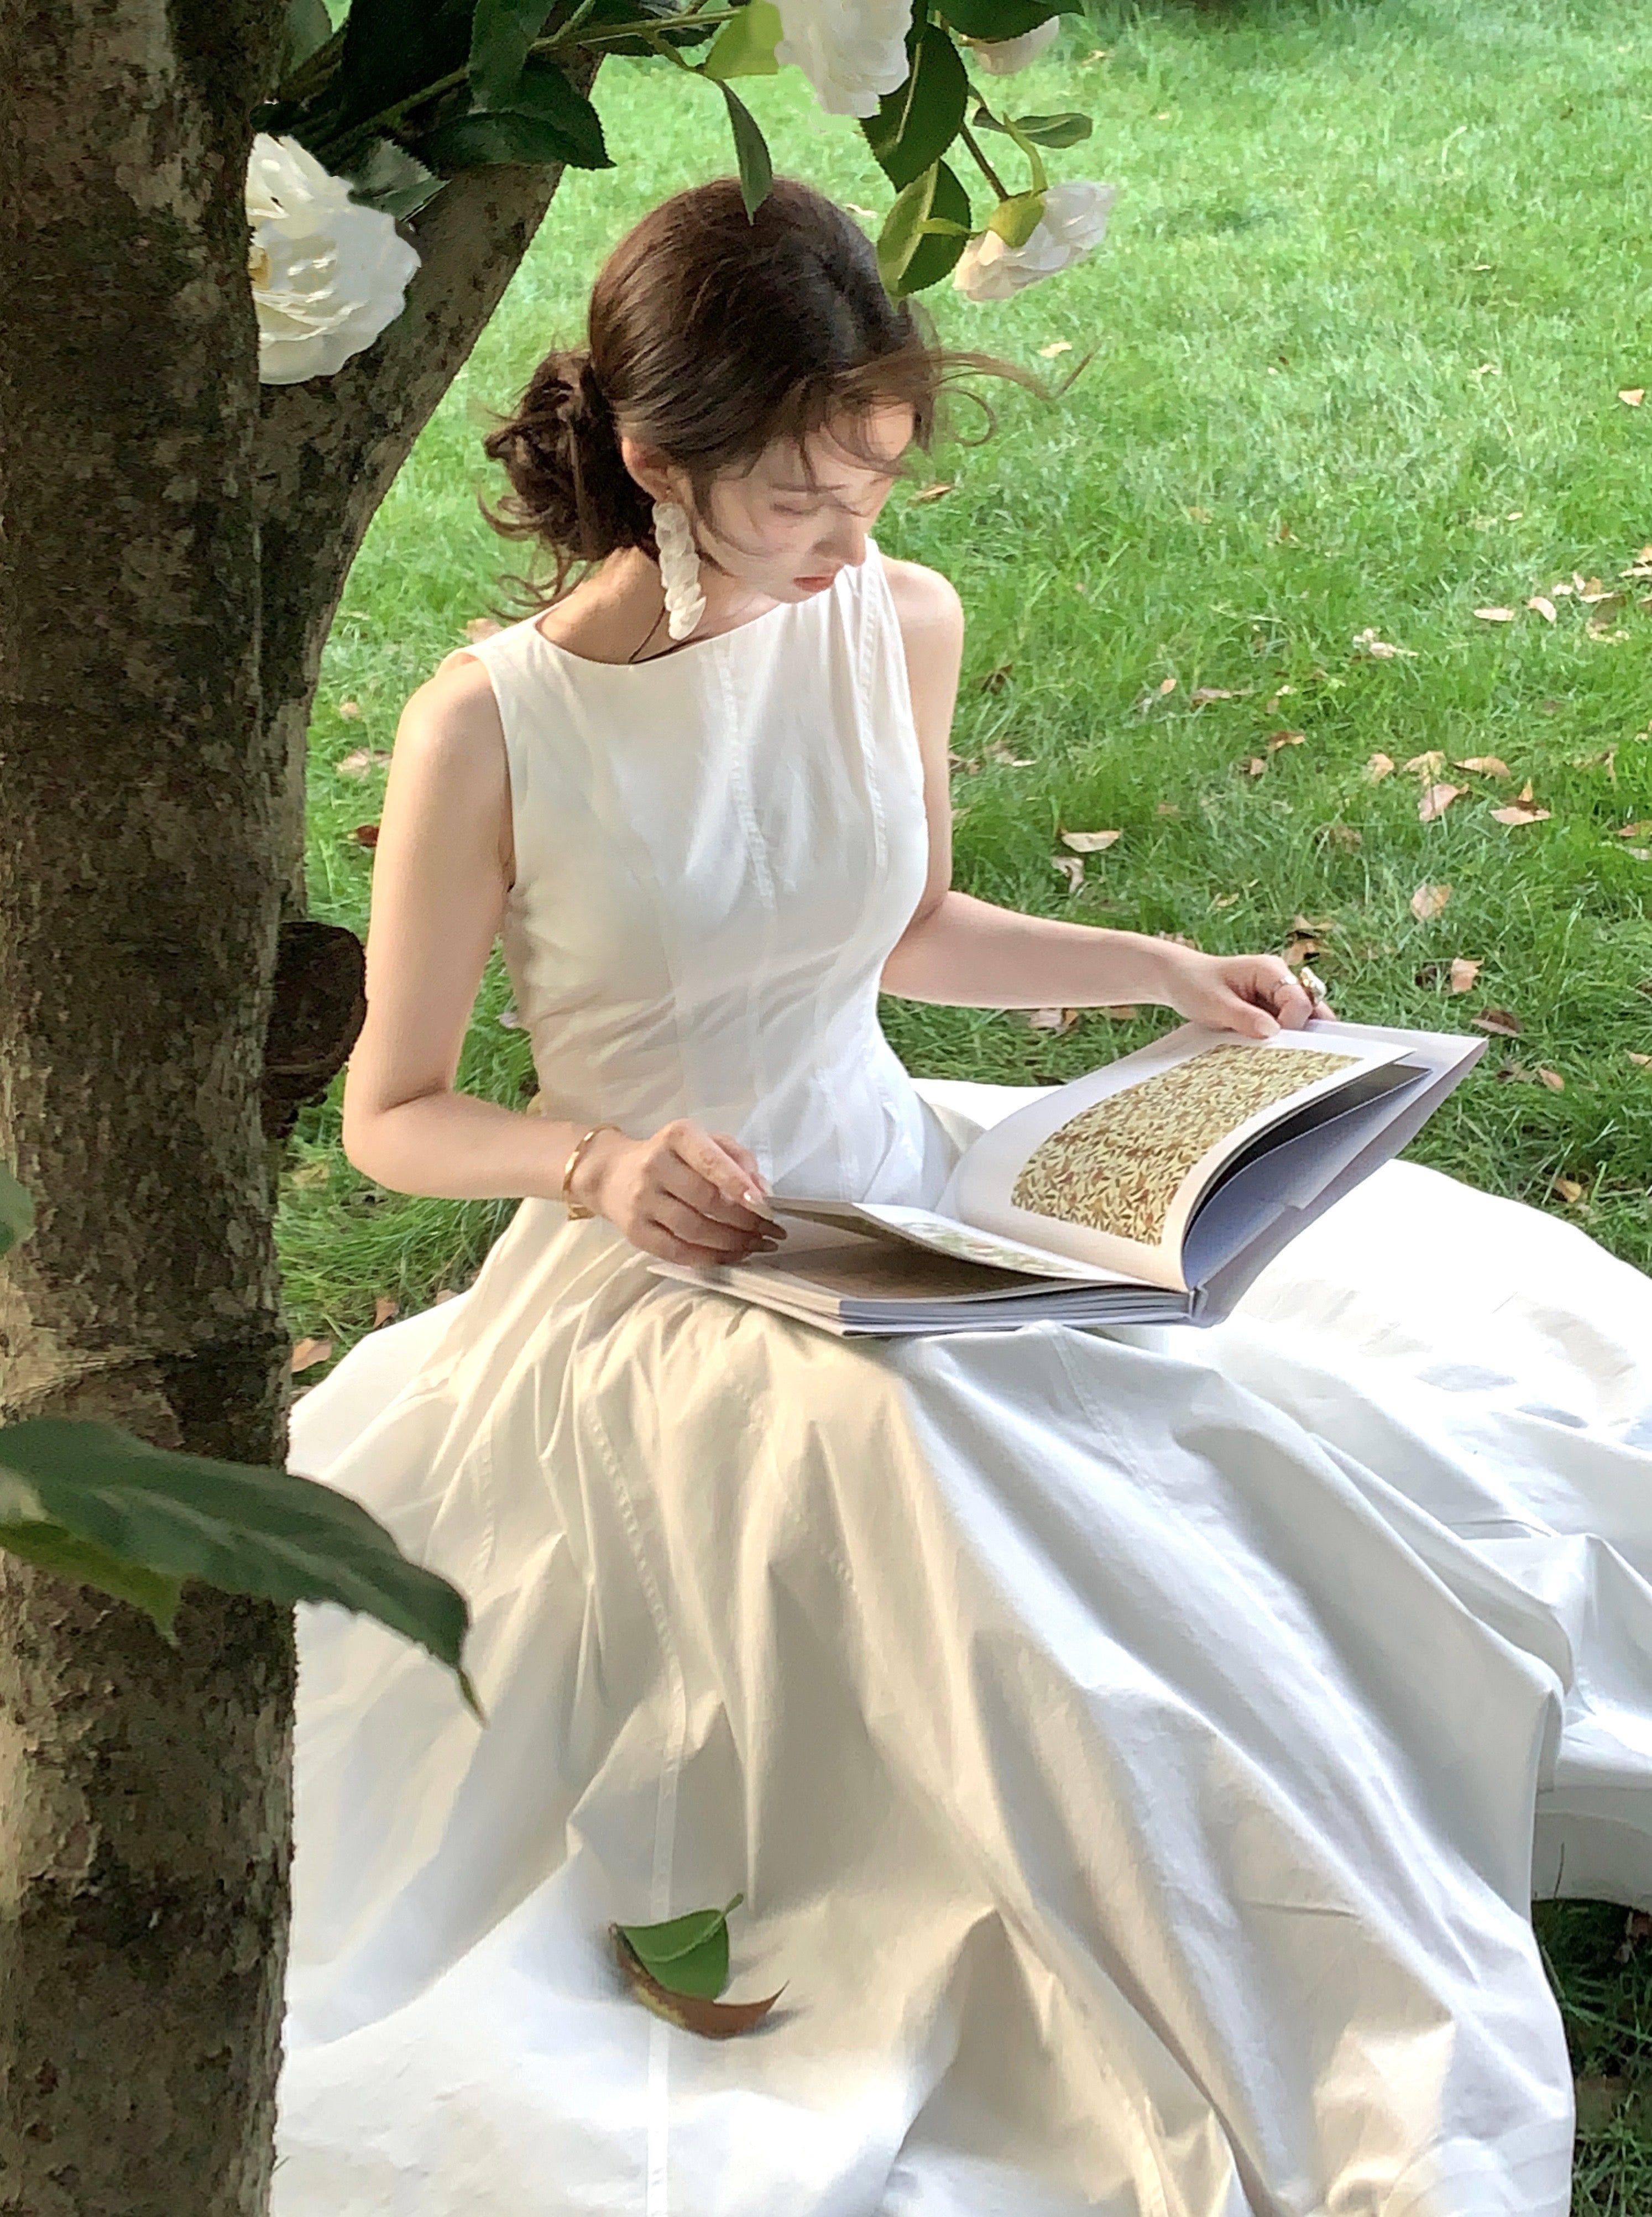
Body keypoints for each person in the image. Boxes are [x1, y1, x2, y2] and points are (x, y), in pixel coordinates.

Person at [274, 176, 1652, 2217]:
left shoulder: (892, 617)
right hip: (667, 1268)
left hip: (904, 1179)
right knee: (948, 1537)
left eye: (877, 484)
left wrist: (1157, 974)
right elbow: (391, 1111)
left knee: (1250, 1474)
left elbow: (907, 924)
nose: (853, 541)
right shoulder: (496, 721)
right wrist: (596, 1160)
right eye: (803, 500)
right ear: (655, 457)